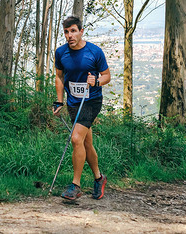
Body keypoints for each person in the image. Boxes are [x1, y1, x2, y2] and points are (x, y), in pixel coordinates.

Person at [52, 16, 111, 200]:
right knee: (86, 143)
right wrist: (59, 101)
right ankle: (99, 178)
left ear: (81, 31)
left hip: (91, 101)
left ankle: (75, 185)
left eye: (73, 31)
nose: (70, 35)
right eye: (67, 32)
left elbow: (107, 76)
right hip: (73, 103)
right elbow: (59, 77)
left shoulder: (94, 52)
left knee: (76, 139)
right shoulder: (61, 53)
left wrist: (97, 81)